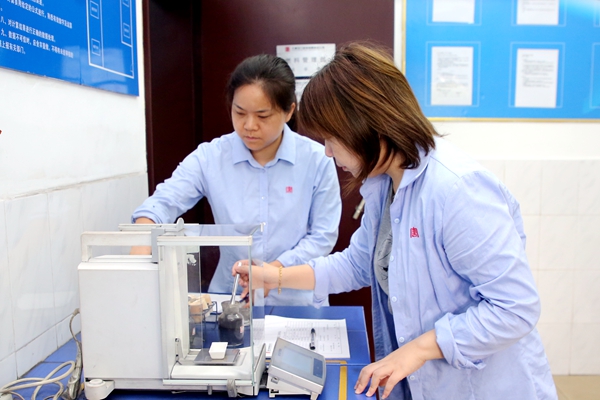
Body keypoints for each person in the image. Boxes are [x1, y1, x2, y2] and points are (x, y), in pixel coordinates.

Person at [233, 43, 557, 399]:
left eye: (331, 138)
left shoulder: (456, 190)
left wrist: (417, 350)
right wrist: (275, 277)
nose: (327, 151)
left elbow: (515, 308)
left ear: (366, 125)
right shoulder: (385, 184)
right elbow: (359, 264)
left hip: (483, 388)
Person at [132, 54, 341, 306]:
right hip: (230, 301)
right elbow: (163, 202)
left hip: (296, 301)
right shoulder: (210, 157)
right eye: (239, 112)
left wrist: (272, 272)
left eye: (262, 116)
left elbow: (322, 236)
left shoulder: (317, 159)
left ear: (289, 111)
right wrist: (141, 245)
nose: (249, 125)